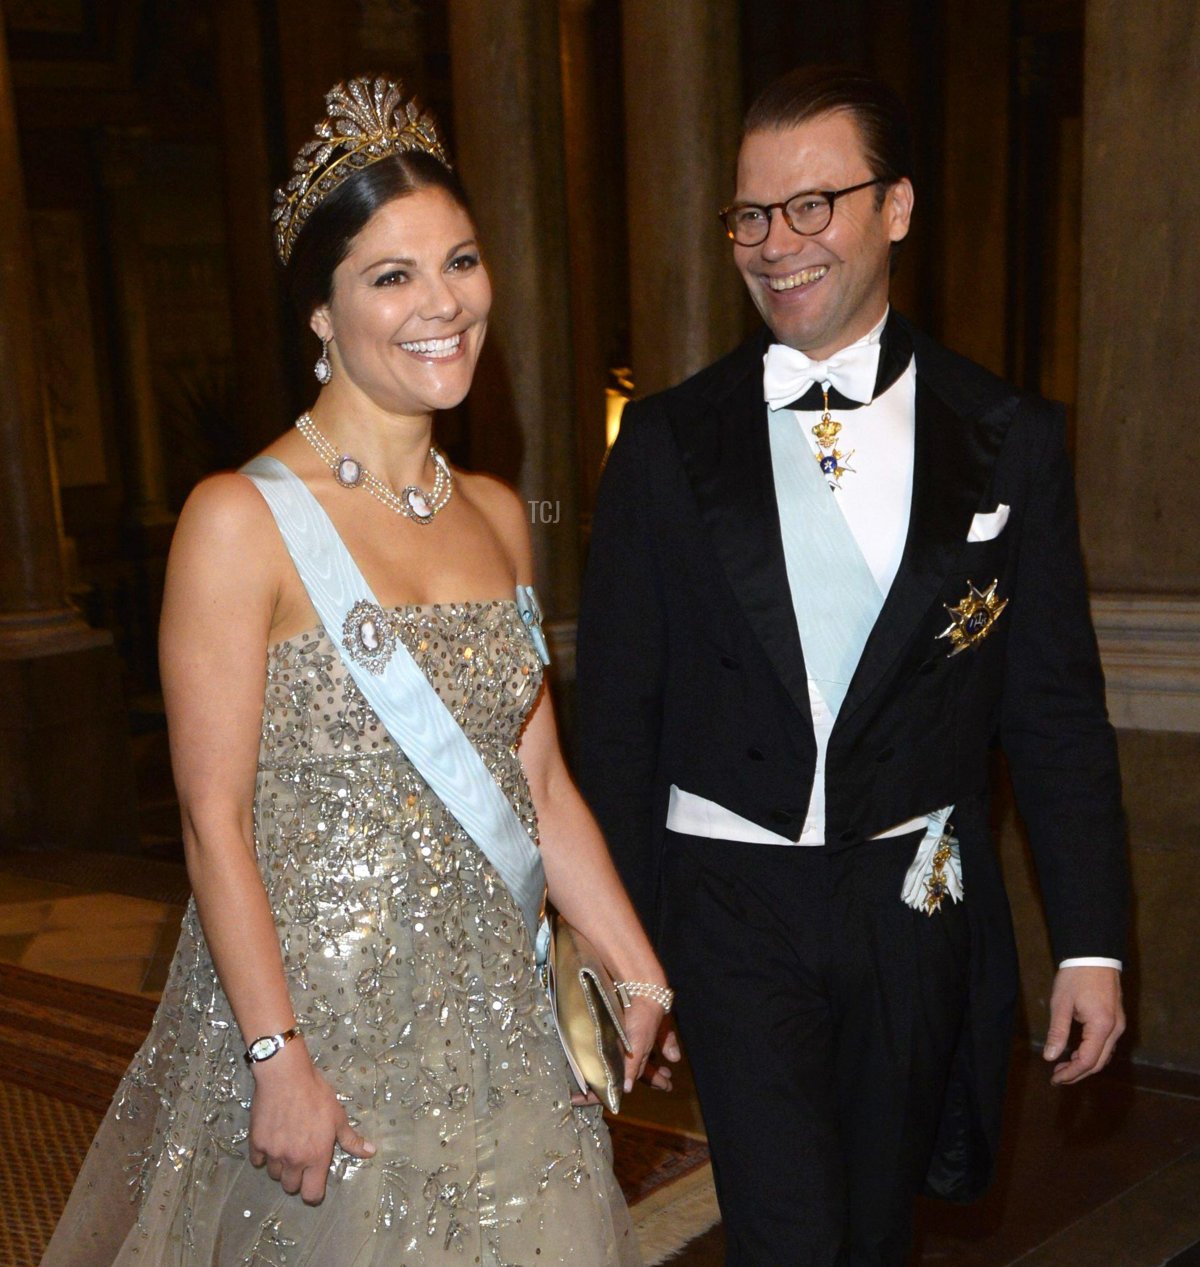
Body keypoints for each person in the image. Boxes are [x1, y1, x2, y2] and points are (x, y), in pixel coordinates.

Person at [43, 75, 674, 1267]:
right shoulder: (237, 519)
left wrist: (637, 964)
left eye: (462, 262)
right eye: (392, 277)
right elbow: (211, 817)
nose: (444, 306)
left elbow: (538, 783)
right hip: (326, 1029)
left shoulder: (496, 512)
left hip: (498, 1027)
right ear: (321, 315)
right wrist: (276, 1057)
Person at [576, 64, 1128, 1265]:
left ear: (898, 208)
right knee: (790, 1236)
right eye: (750, 215)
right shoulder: (668, 446)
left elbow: (1052, 713)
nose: (777, 245)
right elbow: (617, 716)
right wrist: (616, 953)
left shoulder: (1010, 440)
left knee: (877, 1231)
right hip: (726, 900)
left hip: (911, 899)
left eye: (812, 204)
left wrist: (1091, 941)